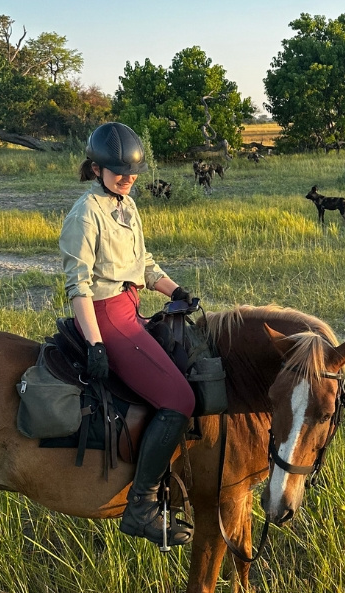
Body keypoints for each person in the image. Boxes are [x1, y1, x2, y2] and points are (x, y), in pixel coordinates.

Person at [59, 122, 195, 546]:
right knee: (179, 400)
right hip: (106, 315)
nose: (128, 177)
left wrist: (176, 290)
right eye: (119, 171)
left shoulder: (128, 206)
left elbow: (144, 264)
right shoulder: (85, 213)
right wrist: (96, 342)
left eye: (133, 170)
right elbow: (78, 284)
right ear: (96, 168)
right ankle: (141, 507)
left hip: (131, 308)